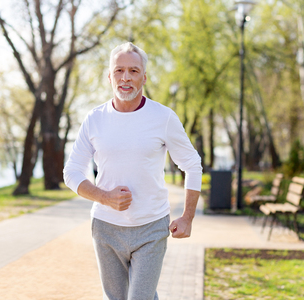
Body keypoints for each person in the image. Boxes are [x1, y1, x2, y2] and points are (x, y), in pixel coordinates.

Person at [63, 42, 202, 300]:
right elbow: (71, 171)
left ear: (144, 77)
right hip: (106, 228)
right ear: (109, 76)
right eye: (119, 70)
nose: (126, 77)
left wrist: (187, 217)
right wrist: (104, 197)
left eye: (133, 71)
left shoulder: (163, 117)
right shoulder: (94, 119)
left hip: (151, 227)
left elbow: (192, 164)